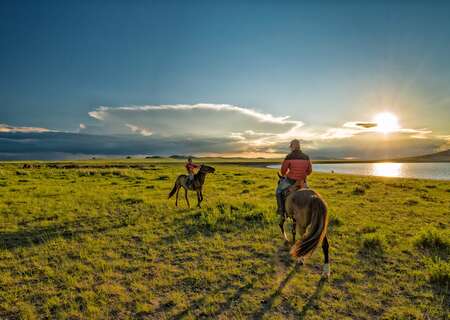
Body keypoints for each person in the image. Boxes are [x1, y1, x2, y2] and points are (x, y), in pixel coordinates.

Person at [276, 139, 312, 215]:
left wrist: (288, 174)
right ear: (299, 146)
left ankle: (281, 210)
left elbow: (283, 172)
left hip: (291, 181)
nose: (290, 148)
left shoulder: (289, 157)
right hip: (302, 181)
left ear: (293, 147)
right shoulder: (306, 157)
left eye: (291, 147)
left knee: (278, 191)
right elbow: (309, 171)